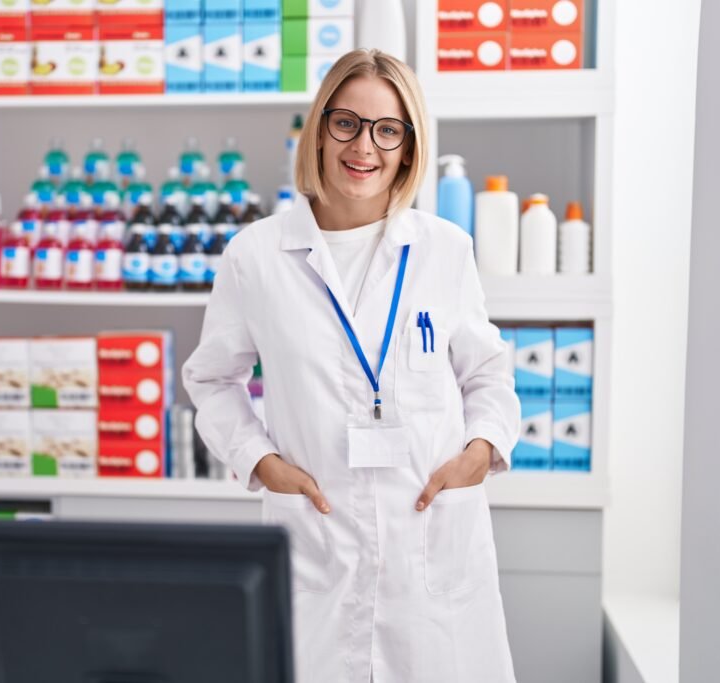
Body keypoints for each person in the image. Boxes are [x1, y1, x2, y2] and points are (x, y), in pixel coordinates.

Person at [182, 48, 520, 683]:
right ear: (319, 129)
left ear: (408, 147)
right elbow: (211, 379)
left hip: (431, 550)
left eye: (388, 129)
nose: (364, 146)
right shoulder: (256, 255)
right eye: (347, 123)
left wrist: (481, 450)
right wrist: (260, 461)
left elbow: (488, 375)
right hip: (318, 545)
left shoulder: (445, 250)